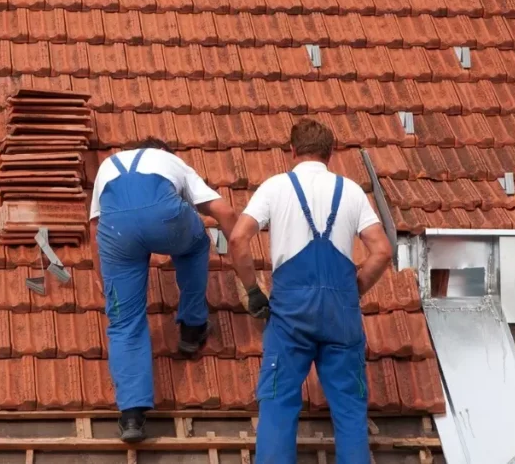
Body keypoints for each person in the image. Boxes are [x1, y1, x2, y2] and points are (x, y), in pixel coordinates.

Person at [228, 119, 393, 463]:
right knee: (349, 409)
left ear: (292, 150)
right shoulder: (350, 191)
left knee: (278, 402)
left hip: (290, 313)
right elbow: (382, 250)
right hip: (340, 313)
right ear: (330, 153)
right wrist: (356, 288)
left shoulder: (275, 188)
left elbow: (238, 238)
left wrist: (252, 290)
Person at [89, 136, 238, 443]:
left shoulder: (107, 166)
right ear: (163, 152)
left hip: (117, 233)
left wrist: (102, 276)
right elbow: (224, 211)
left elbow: (95, 225)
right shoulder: (172, 162)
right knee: (197, 244)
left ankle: (132, 416)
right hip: (165, 221)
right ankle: (192, 328)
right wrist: (243, 263)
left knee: (124, 321)